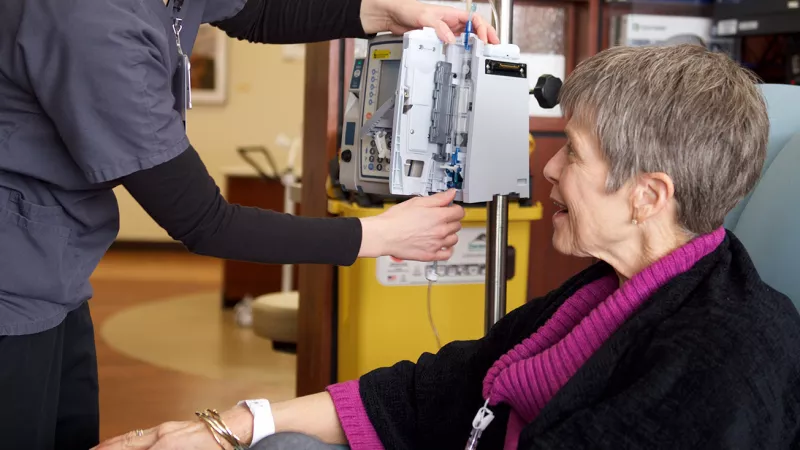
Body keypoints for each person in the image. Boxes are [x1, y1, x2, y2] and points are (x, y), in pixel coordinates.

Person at [95, 43, 800, 450]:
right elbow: (439, 385)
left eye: (573, 153)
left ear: (649, 195)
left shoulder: (730, 356)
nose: (548, 168)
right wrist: (229, 425)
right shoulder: (600, 293)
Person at [0, 0, 499, 448]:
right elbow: (203, 221)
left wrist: (389, 13)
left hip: (57, 269)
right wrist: (379, 236)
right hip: (13, 277)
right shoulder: (92, 23)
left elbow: (257, 12)